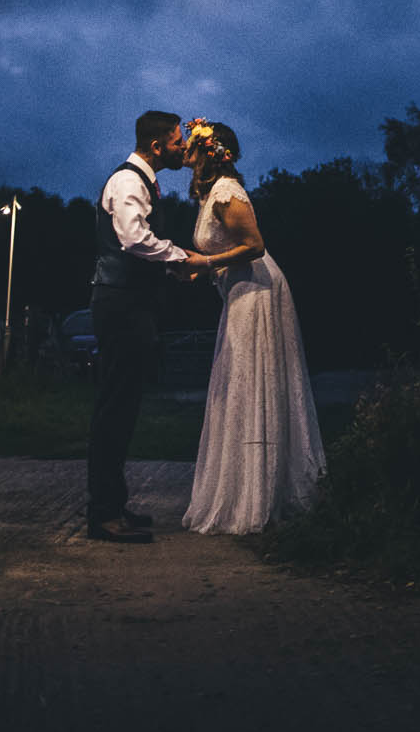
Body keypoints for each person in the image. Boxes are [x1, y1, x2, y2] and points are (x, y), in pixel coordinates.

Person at [180, 119, 326, 534]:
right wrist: (199, 268)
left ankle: (258, 497)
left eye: (193, 143)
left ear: (210, 150)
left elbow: (255, 246)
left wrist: (205, 263)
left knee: (248, 381)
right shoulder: (212, 194)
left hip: (258, 291)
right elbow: (227, 249)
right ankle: (246, 489)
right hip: (238, 292)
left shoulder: (227, 191)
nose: (186, 150)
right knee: (239, 382)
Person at [87, 109, 209, 543]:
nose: (183, 148)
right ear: (157, 146)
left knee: (124, 406)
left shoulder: (142, 182)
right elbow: (134, 240)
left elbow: (140, 248)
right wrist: (182, 258)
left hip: (132, 302)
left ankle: (113, 505)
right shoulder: (126, 182)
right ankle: (103, 516)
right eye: (178, 142)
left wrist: (174, 271)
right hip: (120, 304)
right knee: (114, 408)